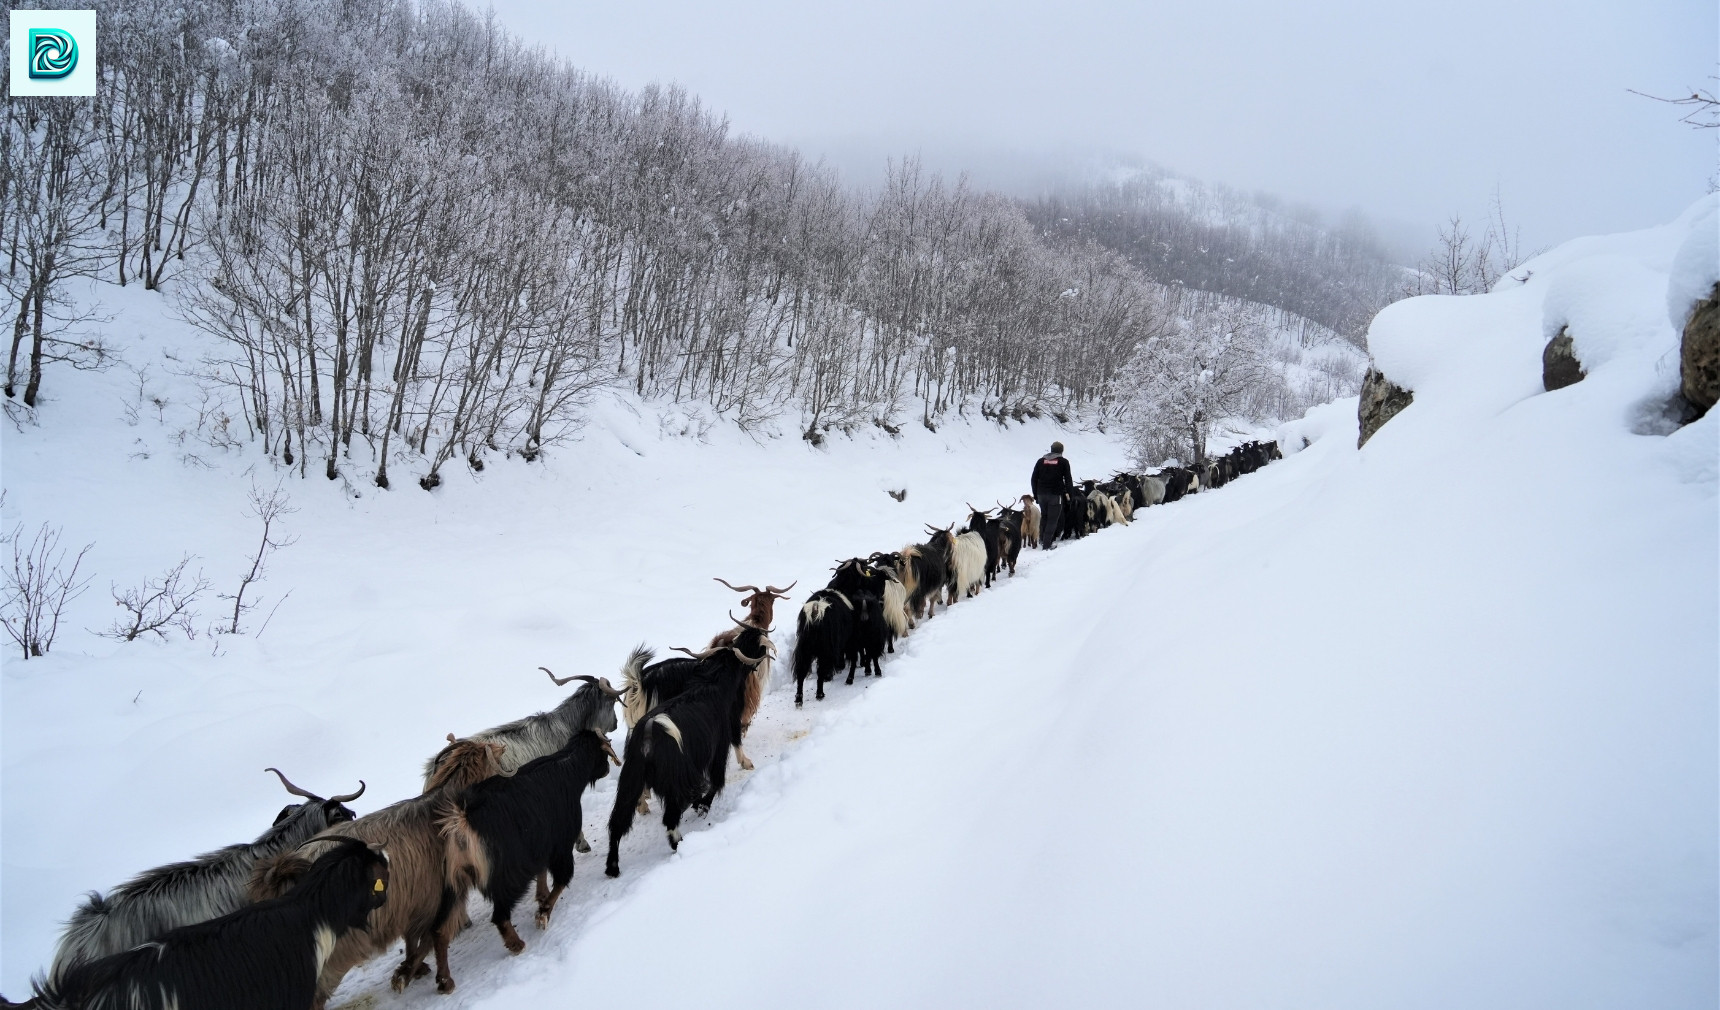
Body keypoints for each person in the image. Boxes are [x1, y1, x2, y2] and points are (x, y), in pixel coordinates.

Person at [1029, 441, 1074, 549]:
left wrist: (1035, 494)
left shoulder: (1041, 461)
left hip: (1041, 494)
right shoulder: (1063, 462)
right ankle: (1047, 544)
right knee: (1052, 519)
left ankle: (1042, 539)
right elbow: (1068, 479)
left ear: (1051, 449)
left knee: (1044, 516)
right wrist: (1070, 494)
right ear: (1061, 451)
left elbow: (1033, 478)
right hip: (1055, 494)